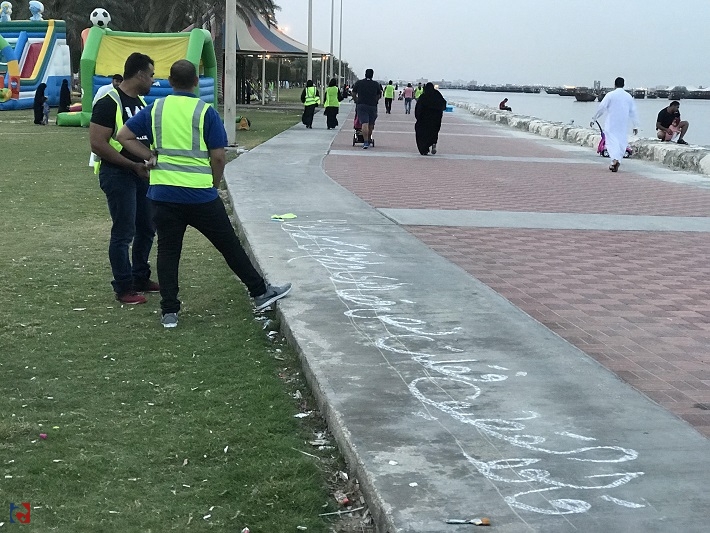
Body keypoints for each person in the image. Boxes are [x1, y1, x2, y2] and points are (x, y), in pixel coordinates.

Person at [116, 59, 291, 328]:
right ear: (196, 83)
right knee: (229, 246)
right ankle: (259, 292)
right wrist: (214, 184)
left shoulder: (156, 108)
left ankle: (169, 312)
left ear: (170, 82)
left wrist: (149, 155)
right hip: (200, 195)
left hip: (163, 195)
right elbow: (218, 157)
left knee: (168, 252)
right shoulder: (205, 111)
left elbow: (123, 135)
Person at [89, 52, 158, 305]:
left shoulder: (141, 102)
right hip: (118, 175)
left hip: (142, 173)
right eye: (151, 75)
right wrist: (132, 165)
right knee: (123, 232)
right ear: (139, 75)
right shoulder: (108, 101)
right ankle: (124, 286)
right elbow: (98, 144)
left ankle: (140, 277)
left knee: (147, 228)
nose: (153, 80)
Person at [590, 76, 639, 173]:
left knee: (611, 142)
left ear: (615, 84)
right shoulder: (628, 96)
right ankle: (617, 160)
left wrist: (594, 118)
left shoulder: (610, 95)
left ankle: (615, 160)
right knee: (621, 142)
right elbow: (633, 112)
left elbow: (602, 107)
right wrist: (635, 125)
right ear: (623, 85)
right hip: (623, 123)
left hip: (611, 122)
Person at [351, 68, 382, 149]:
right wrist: (375, 101)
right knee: (371, 124)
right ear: (372, 75)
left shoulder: (359, 83)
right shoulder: (376, 84)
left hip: (361, 105)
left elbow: (353, 93)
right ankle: (368, 139)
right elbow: (379, 95)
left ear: (365, 74)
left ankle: (365, 142)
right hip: (372, 106)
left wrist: (356, 100)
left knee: (364, 123)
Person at [414, 82, 447, 156]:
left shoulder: (423, 96)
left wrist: (418, 117)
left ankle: (424, 149)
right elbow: (443, 104)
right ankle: (433, 143)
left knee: (422, 134)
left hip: (424, 120)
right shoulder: (437, 94)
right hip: (435, 119)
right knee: (433, 132)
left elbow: (418, 108)